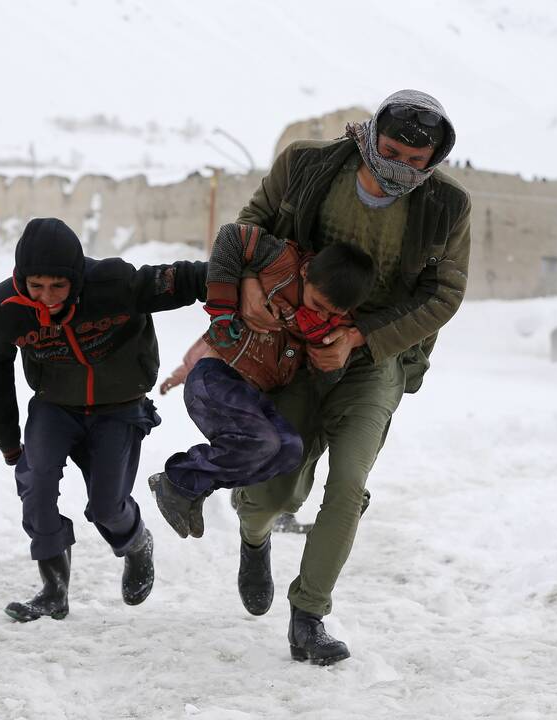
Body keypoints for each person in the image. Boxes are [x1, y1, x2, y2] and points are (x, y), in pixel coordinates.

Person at [229, 89, 470, 665]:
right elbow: (250, 228)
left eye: (417, 162)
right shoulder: (308, 165)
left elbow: (446, 292)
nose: (400, 170)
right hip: (295, 348)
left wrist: (360, 337)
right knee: (279, 487)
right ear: (372, 135)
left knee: (347, 482)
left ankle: (309, 616)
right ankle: (254, 533)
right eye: (391, 153)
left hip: (374, 359)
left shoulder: (445, 205)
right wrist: (249, 286)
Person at [0, 217, 207, 622]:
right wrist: (7, 439)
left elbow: (187, 280)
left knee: (106, 507)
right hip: (54, 406)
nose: (47, 298)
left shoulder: (115, 284)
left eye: (58, 287)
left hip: (119, 408)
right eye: (36, 286)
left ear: (77, 278)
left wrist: (241, 280)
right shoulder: (6, 308)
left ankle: (135, 543)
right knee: (36, 481)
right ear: (21, 280)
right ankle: (53, 590)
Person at [147, 222, 376, 539]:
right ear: (307, 272)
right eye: (318, 306)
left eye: (332, 314)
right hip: (217, 377)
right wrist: (223, 310)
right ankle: (180, 480)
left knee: (288, 449)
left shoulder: (328, 329)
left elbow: (329, 373)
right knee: (265, 441)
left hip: (252, 395)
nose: (322, 317)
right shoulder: (282, 264)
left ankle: (189, 486)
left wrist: (326, 350)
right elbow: (231, 237)